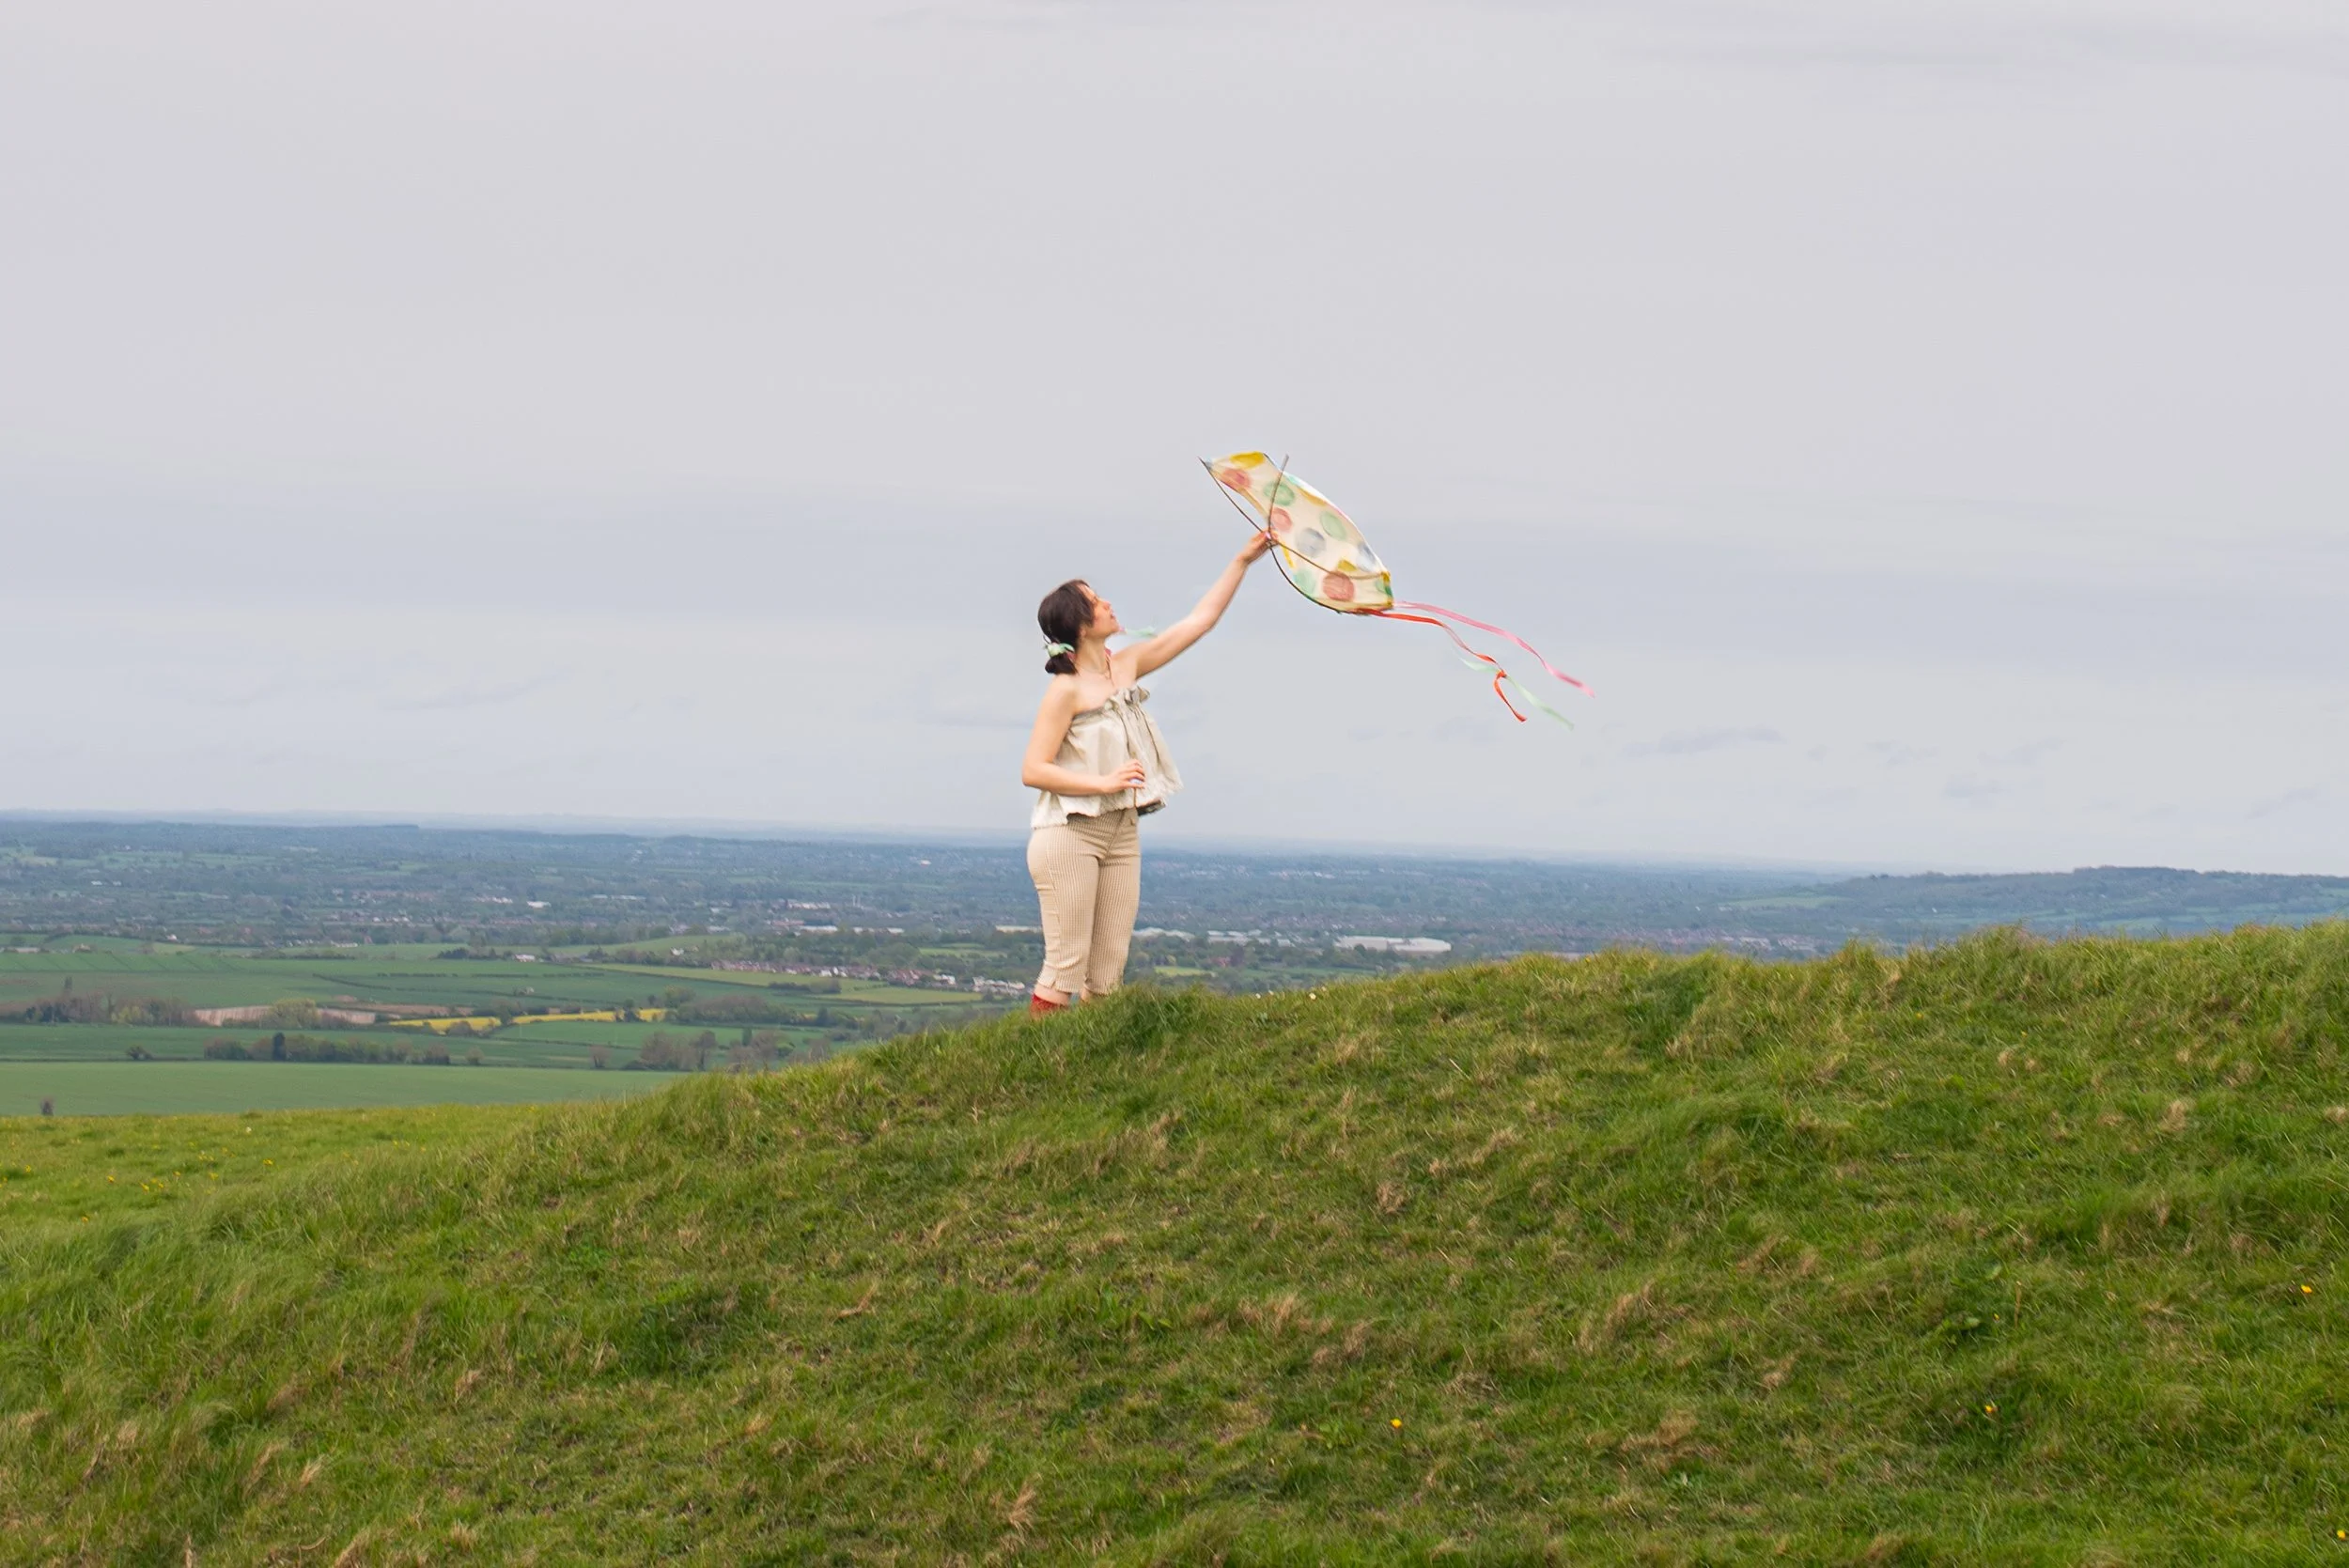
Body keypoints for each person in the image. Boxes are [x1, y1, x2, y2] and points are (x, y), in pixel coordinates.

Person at [1020, 534, 1274, 1014]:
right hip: (1069, 835)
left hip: (1122, 830)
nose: (1108, 604)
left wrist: (1242, 560)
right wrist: (1103, 783)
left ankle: (1094, 1056)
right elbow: (1033, 769)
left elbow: (1199, 622)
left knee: (1107, 972)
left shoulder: (1126, 666)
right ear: (1080, 624)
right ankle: (1032, 1057)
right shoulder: (1064, 690)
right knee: (1064, 967)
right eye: (1096, 601)